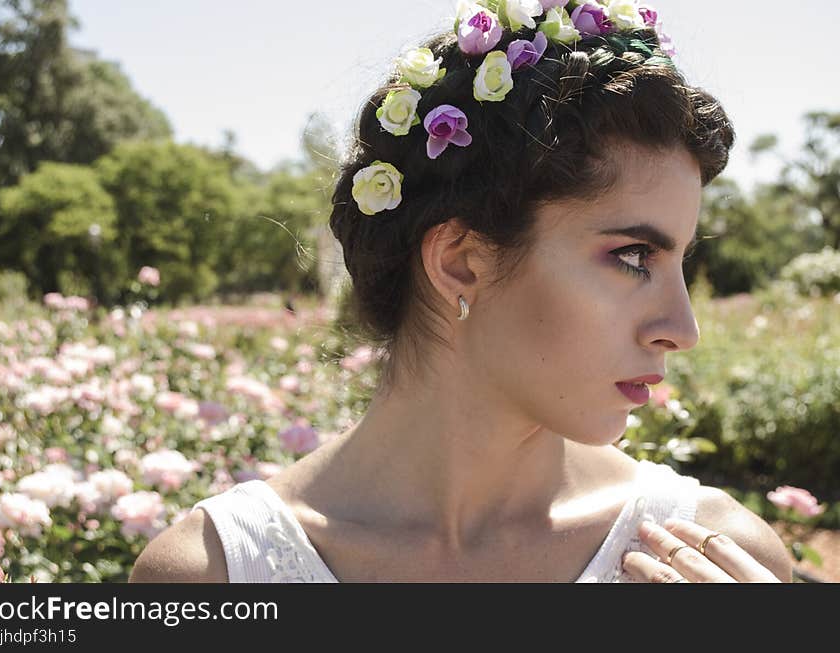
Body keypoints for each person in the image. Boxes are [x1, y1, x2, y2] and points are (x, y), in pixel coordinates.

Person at [130, 1, 793, 583]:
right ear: (460, 262)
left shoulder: (717, 561)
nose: (682, 327)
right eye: (632, 256)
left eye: (679, 260)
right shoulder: (212, 576)